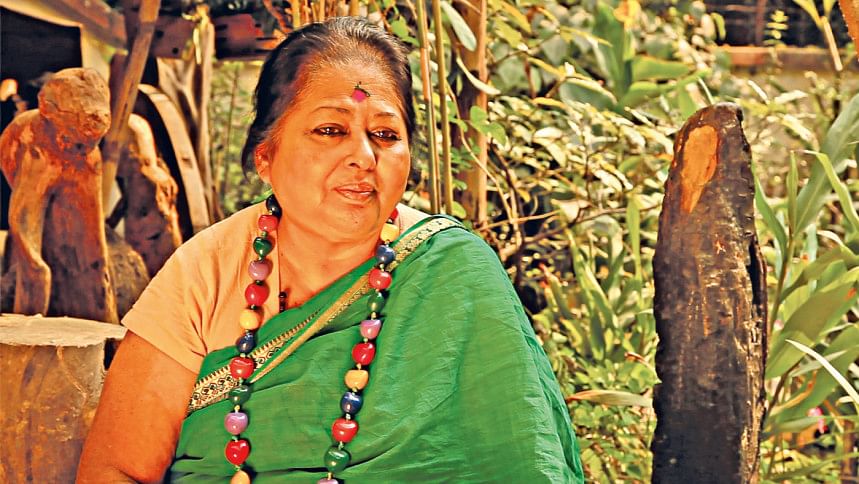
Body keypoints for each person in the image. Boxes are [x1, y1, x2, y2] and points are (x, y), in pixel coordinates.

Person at [78, 17, 584, 483]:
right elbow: (115, 470)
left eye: (385, 134)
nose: (363, 156)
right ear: (265, 155)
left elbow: (518, 460)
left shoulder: (456, 275)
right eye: (330, 130)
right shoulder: (203, 272)